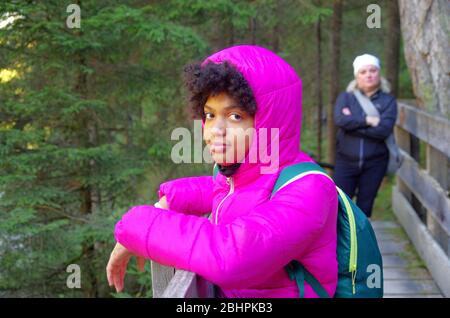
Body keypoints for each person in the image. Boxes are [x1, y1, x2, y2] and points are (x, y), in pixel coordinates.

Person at [106, 45, 338, 298]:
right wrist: (170, 200)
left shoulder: (310, 190)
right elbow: (230, 190)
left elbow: (232, 257)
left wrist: (137, 225)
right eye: (210, 114)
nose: (216, 129)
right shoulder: (245, 170)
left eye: (235, 116)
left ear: (270, 120)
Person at [333, 53, 398, 218]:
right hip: (345, 161)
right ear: (357, 76)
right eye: (363, 72)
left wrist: (352, 124)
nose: (368, 75)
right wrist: (368, 120)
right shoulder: (346, 98)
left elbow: (384, 130)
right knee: (339, 206)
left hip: (375, 163)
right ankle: (343, 243)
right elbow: (340, 120)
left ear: (379, 73)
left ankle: (361, 242)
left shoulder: (388, 101)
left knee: (364, 209)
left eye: (373, 70)